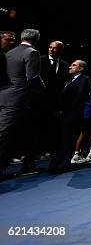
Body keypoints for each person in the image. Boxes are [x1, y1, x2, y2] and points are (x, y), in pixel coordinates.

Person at [0, 29, 44, 177]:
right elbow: (33, 78)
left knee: (9, 135)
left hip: (4, 96)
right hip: (18, 99)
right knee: (5, 135)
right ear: (36, 39)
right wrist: (44, 89)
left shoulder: (9, 52)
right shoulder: (32, 52)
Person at [49, 60, 91, 172]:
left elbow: (79, 96)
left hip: (73, 114)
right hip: (65, 114)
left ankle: (62, 164)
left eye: (73, 65)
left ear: (81, 68)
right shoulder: (69, 80)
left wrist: (66, 110)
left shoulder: (84, 79)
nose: (70, 67)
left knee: (68, 139)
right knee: (62, 139)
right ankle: (57, 163)